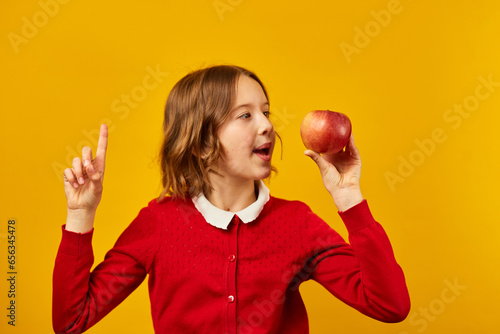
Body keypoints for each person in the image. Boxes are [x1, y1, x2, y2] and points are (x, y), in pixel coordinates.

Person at [53, 65, 410, 334]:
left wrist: (350, 199)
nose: (267, 125)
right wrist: (80, 214)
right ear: (202, 139)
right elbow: (71, 320)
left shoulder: (296, 223)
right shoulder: (158, 224)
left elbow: (389, 305)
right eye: (245, 115)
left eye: (265, 112)